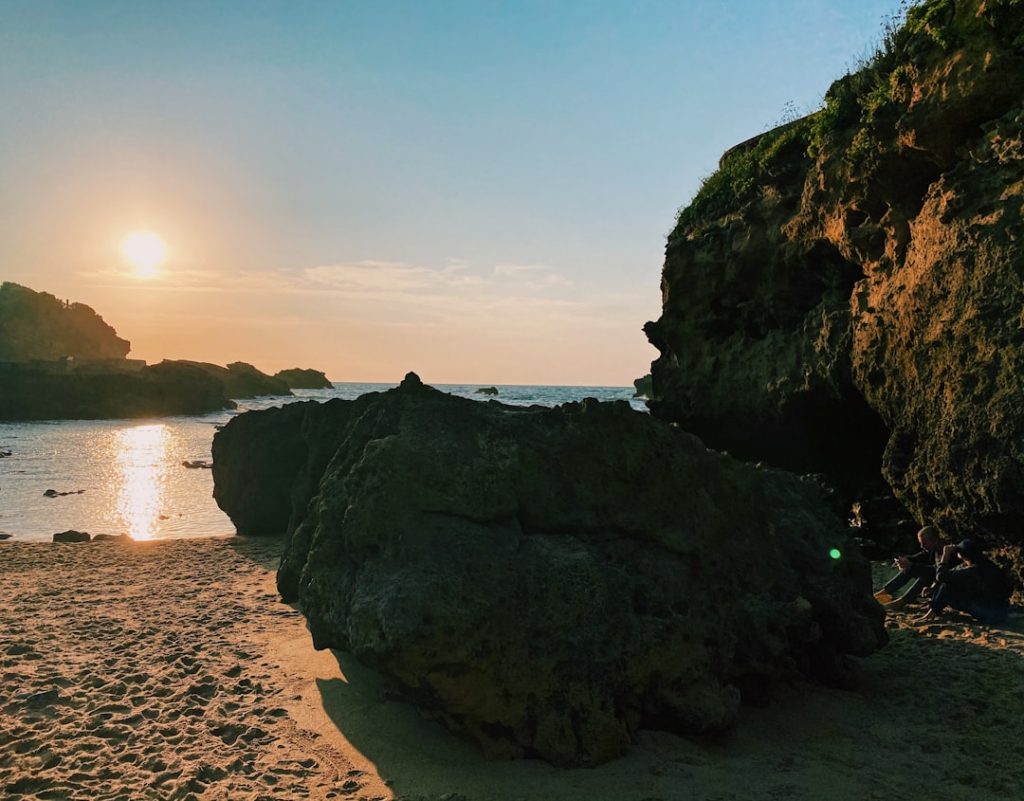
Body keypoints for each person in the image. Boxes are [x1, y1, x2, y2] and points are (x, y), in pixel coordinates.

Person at [914, 538, 1013, 624]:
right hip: (999, 610)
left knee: (947, 587)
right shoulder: (982, 563)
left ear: (964, 554)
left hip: (991, 614)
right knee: (947, 583)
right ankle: (933, 610)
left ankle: (931, 614)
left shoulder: (973, 570)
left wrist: (945, 555)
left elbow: (942, 576)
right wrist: (933, 588)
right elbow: (948, 573)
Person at [873, 526, 946, 608]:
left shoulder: (946, 551)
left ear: (935, 540)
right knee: (909, 568)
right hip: (935, 578)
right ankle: (883, 593)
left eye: (924, 543)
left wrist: (911, 566)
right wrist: (904, 560)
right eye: (921, 544)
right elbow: (918, 557)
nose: (922, 546)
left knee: (924, 576)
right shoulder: (933, 550)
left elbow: (935, 570)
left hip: (945, 583)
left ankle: (902, 601)